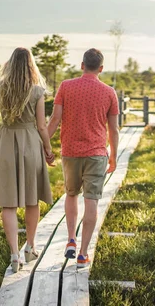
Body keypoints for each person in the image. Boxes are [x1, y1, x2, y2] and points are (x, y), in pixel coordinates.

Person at [48, 48, 119, 268]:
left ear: (81, 65)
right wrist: (114, 156)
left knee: (71, 194)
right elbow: (114, 130)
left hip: (70, 152)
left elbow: (54, 119)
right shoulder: (109, 92)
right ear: (101, 68)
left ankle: (71, 239)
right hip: (97, 154)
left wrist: (45, 146)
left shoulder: (65, 87)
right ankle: (83, 253)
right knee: (91, 201)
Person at [0, 47, 55, 273]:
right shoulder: (37, 91)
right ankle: (31, 247)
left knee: (9, 203)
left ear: (9, 63)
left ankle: (15, 255)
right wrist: (48, 149)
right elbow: (42, 126)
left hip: (6, 143)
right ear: (30, 65)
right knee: (31, 199)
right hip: (30, 143)